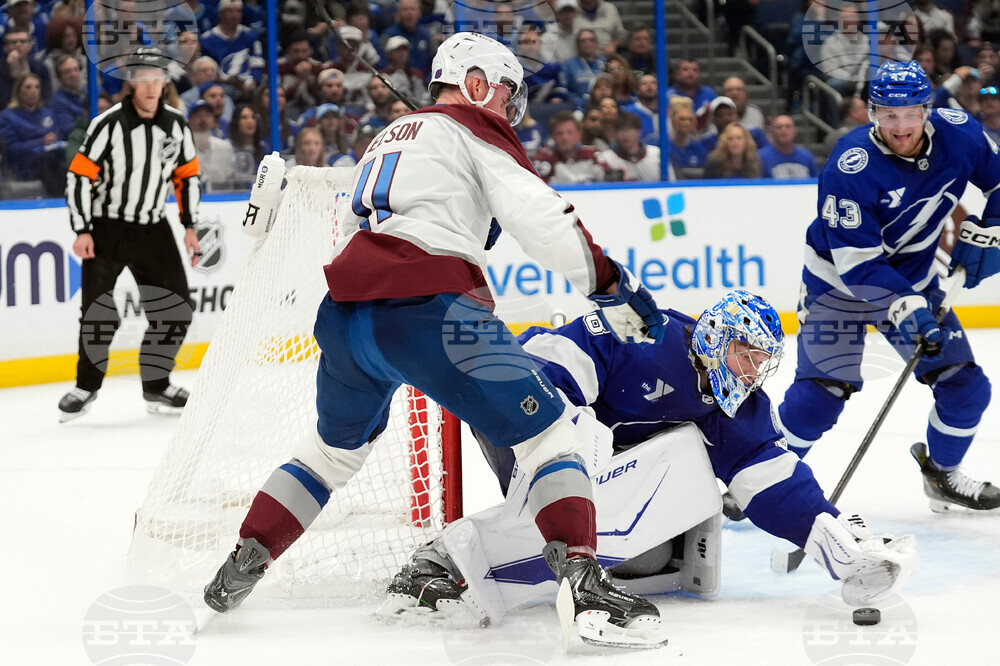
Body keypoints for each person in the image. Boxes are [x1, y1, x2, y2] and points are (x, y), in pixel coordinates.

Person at [203, 32, 670, 649]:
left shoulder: (384, 139)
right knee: (551, 436)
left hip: (345, 320)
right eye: (504, 95)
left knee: (330, 453)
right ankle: (585, 585)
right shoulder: (474, 126)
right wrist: (610, 284)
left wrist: (469, 225)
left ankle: (243, 562)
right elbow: (543, 217)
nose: (508, 111)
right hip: (434, 313)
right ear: (475, 84)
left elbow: (365, 229)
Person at [377, 291, 918, 624]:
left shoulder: (732, 404)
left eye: (761, 363)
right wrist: (569, 440)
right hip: (517, 404)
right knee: (582, 449)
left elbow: (771, 480)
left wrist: (830, 539)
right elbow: (543, 365)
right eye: (744, 355)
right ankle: (443, 561)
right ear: (715, 337)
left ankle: (520, 558)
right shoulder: (640, 335)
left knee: (649, 559)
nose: (751, 372)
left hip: (582, 449)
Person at [776, 61, 1000, 513]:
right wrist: (906, 307)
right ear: (872, 112)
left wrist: (994, 228)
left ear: (927, 110)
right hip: (837, 287)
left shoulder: (961, 134)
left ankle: (942, 475)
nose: (900, 127)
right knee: (818, 399)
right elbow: (858, 265)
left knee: (965, 388)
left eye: (911, 114)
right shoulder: (849, 166)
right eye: (888, 115)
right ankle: (759, 476)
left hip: (915, 278)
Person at [59, 47, 201, 421]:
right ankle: (85, 387)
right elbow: (79, 176)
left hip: (154, 227)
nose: (151, 86)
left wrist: (189, 226)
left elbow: (186, 177)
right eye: (143, 79)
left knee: (176, 309)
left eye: (157, 78)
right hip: (107, 229)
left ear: (165, 81)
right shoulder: (107, 124)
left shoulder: (177, 125)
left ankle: (157, 385)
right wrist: (82, 228)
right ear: (131, 82)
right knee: (98, 314)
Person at [0, 72, 66, 194]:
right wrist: (41, 142)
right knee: (49, 160)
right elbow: (11, 149)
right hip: (24, 163)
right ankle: (59, 198)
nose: (34, 90)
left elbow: (58, 136)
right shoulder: (8, 116)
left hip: (52, 157)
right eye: (28, 87)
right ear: (19, 92)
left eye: (37, 87)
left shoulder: (47, 112)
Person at [532, 110, 611, 184]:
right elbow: (536, 187)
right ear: (553, 136)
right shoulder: (543, 157)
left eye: (570, 132)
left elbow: (610, 182)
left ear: (579, 134)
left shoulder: (592, 154)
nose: (565, 137)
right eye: (560, 133)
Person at [598, 111, 663, 181]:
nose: (625, 134)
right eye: (621, 130)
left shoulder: (656, 154)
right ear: (616, 133)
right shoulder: (606, 158)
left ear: (638, 132)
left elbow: (669, 182)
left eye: (629, 129)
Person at [759, 115, 818, 179]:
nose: (784, 130)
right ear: (772, 132)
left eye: (788, 126)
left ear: (794, 131)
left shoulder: (806, 156)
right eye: (779, 127)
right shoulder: (761, 157)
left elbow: (816, 181)